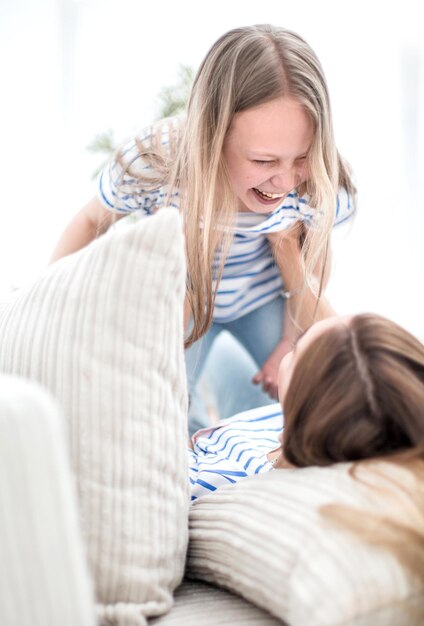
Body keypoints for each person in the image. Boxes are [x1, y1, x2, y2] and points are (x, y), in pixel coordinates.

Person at [50, 24, 356, 433]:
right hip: (188, 302)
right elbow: (91, 220)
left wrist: (289, 342)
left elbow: (313, 267)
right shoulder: (156, 160)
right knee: (168, 414)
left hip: (263, 299)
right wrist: (51, 308)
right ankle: (206, 398)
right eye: (263, 162)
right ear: (211, 136)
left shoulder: (319, 180)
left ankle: (230, 386)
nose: (284, 181)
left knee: (321, 399)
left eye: (299, 157)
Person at [188, 313, 424, 501]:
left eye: (296, 347)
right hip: (243, 429)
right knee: (225, 353)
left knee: (219, 357)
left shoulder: (225, 479)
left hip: (196, 444)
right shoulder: (327, 413)